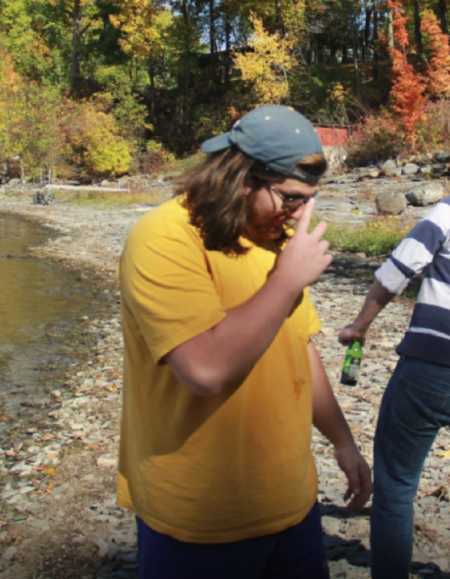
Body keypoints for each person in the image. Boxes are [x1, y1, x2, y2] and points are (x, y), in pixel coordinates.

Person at [118, 104, 372, 579]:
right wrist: (285, 282)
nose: (300, 215)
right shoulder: (165, 237)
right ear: (240, 177)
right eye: (293, 198)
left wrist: (342, 440)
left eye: (309, 200)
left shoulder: (276, 236)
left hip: (291, 505)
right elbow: (204, 370)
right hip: (198, 518)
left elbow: (301, 347)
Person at [339, 196, 450, 579]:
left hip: (431, 366)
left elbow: (399, 269)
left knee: (397, 485)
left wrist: (359, 325)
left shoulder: (447, 212)